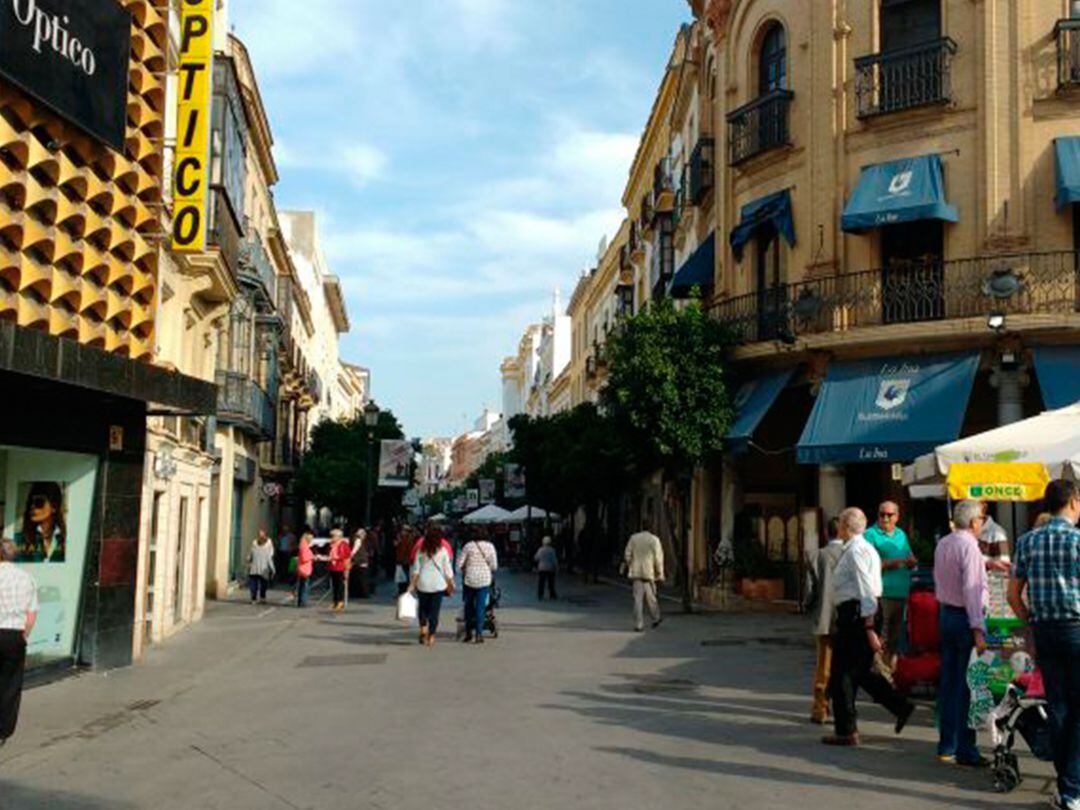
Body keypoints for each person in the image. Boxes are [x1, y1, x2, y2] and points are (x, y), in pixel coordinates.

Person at [1008, 479, 1080, 810]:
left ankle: (1068, 787)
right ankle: (1072, 788)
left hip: (1045, 629)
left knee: (1059, 707)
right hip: (1076, 628)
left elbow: (1012, 594)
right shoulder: (1078, 540)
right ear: (1074, 503)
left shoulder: (1027, 541)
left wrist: (1030, 621)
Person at [824, 507, 915, 746]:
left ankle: (846, 730)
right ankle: (899, 706)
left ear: (845, 526)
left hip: (857, 615)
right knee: (860, 671)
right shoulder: (865, 549)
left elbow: (866, 589)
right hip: (861, 613)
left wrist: (868, 627)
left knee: (842, 673)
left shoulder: (856, 551)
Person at [934, 499, 990, 766]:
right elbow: (971, 589)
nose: (982, 524)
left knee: (949, 682)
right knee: (966, 686)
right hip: (963, 617)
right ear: (974, 521)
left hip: (946, 613)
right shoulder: (970, 546)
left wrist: (987, 565)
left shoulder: (944, 542)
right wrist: (978, 628)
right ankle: (966, 748)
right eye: (981, 519)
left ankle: (947, 744)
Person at [864, 500, 916, 669]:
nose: (885, 518)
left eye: (889, 515)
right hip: (881, 593)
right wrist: (891, 563)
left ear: (897, 516)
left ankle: (891, 672)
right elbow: (866, 565)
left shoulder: (901, 534)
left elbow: (909, 555)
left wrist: (911, 561)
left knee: (895, 637)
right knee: (882, 636)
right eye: (882, 514)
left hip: (901, 592)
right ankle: (879, 674)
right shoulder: (870, 535)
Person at [0, 538, 36, 748]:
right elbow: (31, 613)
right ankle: (3, 730)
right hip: (14, 636)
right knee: (10, 683)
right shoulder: (26, 578)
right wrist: (25, 634)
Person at [809, 517, 844, 725]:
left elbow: (810, 590)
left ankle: (820, 708)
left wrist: (809, 605)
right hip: (846, 617)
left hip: (823, 617)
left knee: (823, 664)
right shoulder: (851, 553)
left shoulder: (817, 556)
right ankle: (842, 707)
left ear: (825, 533)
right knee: (843, 665)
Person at [409, 526, 455, 646]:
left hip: (422, 584)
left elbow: (416, 570)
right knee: (434, 611)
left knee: (423, 608)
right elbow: (448, 570)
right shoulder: (443, 551)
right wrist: (451, 582)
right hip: (438, 585)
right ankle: (431, 636)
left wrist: (412, 585)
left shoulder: (421, 550)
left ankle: (423, 628)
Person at [457, 532, 498, 644]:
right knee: (481, 607)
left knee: (468, 606)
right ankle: (479, 634)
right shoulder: (490, 546)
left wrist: (466, 567)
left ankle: (469, 633)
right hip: (484, 580)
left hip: (469, 579)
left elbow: (459, 563)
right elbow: (494, 566)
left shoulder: (468, 546)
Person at [624, 521, 664, 632]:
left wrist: (630, 563)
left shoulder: (634, 538)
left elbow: (627, 554)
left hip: (636, 572)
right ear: (651, 528)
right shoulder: (654, 540)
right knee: (651, 598)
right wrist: (660, 573)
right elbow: (658, 558)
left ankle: (639, 624)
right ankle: (656, 617)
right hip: (649, 573)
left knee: (638, 600)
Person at [18, 482, 65, 563]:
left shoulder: (65, 538)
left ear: (54, 507)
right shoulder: (18, 540)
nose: (32, 507)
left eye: (39, 502)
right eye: (30, 502)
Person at [325, 530, 351, 612]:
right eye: (331, 536)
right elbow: (327, 553)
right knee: (334, 585)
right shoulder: (331, 545)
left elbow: (346, 556)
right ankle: (335, 601)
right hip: (333, 566)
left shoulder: (343, 544)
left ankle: (340, 601)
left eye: (333, 536)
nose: (332, 538)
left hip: (340, 567)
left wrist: (347, 568)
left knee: (340, 585)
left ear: (339, 536)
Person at [248, 529, 275, 605]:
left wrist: (248, 561)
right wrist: (273, 569)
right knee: (264, 584)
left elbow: (250, 555)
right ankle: (262, 597)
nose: (260, 535)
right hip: (264, 569)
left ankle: (254, 599)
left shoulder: (255, 546)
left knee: (254, 585)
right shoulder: (266, 549)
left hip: (254, 569)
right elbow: (269, 559)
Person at [295, 530, 315, 608]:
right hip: (305, 569)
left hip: (302, 568)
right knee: (304, 587)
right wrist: (312, 557)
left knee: (302, 586)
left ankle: (301, 602)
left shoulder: (302, 546)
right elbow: (304, 558)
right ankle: (303, 602)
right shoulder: (304, 547)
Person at [349, 529, 370, 599]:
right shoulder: (362, 541)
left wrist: (350, 556)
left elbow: (354, 550)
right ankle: (363, 593)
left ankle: (362, 593)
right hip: (362, 561)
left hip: (359, 561)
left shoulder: (357, 540)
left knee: (359, 578)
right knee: (361, 578)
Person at [535, 536, 558, 601]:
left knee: (541, 582)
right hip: (550, 568)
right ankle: (552, 594)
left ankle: (540, 594)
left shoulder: (540, 550)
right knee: (551, 582)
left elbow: (536, 558)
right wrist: (556, 566)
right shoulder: (552, 550)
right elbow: (554, 559)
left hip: (542, 568)